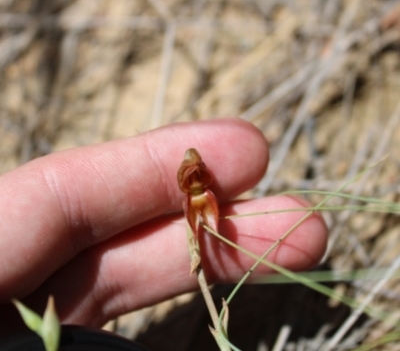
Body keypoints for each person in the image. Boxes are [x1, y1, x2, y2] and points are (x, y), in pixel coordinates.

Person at [0, 119, 327, 335]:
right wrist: (195, 243)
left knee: (214, 232)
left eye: (198, 171)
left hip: (202, 200)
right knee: (198, 241)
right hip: (195, 202)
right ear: (185, 178)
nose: (195, 173)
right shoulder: (191, 193)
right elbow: (193, 210)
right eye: (191, 172)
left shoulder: (203, 190)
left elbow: (205, 207)